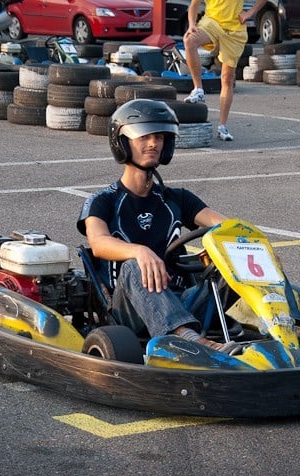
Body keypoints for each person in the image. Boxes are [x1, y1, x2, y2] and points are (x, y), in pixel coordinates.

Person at [77, 99, 237, 353]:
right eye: (144, 136)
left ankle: (287, 326)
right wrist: (139, 251)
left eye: (159, 137)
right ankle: (186, 338)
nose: (153, 143)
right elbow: (98, 243)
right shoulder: (103, 201)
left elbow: (228, 227)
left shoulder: (177, 198)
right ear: (123, 142)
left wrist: (254, 248)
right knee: (133, 265)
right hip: (129, 311)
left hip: (182, 302)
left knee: (239, 258)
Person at [182, 0, 266, 141]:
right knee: (189, 40)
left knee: (227, 78)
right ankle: (198, 89)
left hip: (235, 30)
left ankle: (222, 126)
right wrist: (191, 24)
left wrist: (250, 13)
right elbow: (194, 4)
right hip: (212, 23)